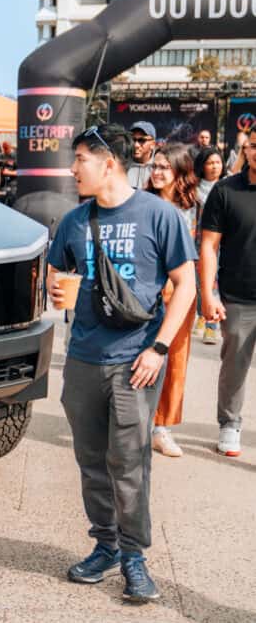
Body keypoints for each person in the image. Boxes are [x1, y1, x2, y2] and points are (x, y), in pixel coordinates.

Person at [47, 123, 196, 604]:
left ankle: (134, 557)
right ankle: (105, 545)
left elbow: (186, 286)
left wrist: (159, 349)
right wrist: (53, 288)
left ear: (107, 163)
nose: (72, 170)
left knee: (129, 463)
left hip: (136, 362)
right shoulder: (74, 221)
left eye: (81, 160)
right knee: (91, 461)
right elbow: (57, 272)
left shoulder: (160, 216)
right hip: (83, 360)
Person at [199, 134, 256, 458]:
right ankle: (230, 423)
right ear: (246, 150)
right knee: (235, 365)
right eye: (255, 145)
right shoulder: (225, 190)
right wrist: (208, 293)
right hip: (238, 297)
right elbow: (208, 245)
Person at [144, 144, 200, 458]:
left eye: (164, 166)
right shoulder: (141, 203)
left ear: (180, 170)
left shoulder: (195, 206)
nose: (157, 172)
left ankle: (161, 428)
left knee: (175, 360)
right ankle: (135, 422)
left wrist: (209, 296)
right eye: (155, 166)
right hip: (147, 292)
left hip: (182, 293)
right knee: (140, 356)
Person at [193, 148, 225, 344]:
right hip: (196, 242)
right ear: (202, 166)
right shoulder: (194, 189)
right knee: (200, 283)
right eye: (210, 163)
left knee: (214, 281)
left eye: (218, 163)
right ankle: (202, 314)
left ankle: (211, 326)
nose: (215, 167)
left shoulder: (226, 187)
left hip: (221, 244)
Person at [126, 122, 156, 189]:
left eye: (142, 140)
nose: (136, 145)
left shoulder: (159, 167)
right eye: (132, 140)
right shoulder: (121, 165)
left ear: (153, 144)